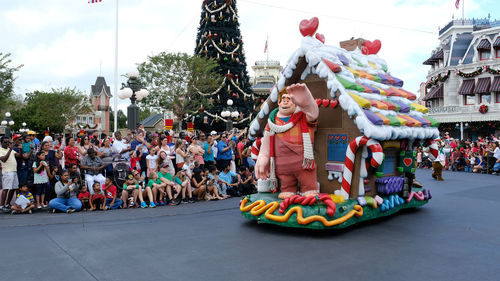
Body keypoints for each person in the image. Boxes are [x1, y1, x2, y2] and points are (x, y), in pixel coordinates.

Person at [255, 84, 319, 199]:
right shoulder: (272, 122)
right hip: (282, 167)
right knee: (286, 189)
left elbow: (313, 113)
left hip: (303, 165)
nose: (285, 102)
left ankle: (309, 188)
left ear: (296, 103)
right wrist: (262, 157)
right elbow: (265, 145)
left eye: (288, 99)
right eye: (282, 99)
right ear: (278, 103)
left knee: (309, 189)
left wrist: (307, 101)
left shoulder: (303, 117)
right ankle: (288, 189)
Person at [0, 136, 20, 211]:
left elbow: (19, 155)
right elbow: (4, 159)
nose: (7, 144)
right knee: (6, 188)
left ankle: (7, 204)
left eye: (8, 142)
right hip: (7, 172)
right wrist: (10, 149)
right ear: (1, 143)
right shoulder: (1, 150)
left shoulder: (10, 149)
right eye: (5, 142)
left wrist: (20, 149)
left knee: (13, 188)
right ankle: (2, 205)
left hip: (14, 171)